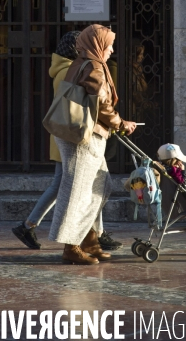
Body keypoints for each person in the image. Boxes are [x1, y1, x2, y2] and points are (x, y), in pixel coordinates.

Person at [12, 33, 124, 252]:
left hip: (70, 134)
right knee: (82, 185)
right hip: (75, 136)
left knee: (85, 183)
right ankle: (38, 227)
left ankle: (90, 234)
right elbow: (91, 102)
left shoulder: (69, 67)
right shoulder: (74, 70)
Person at [49, 24, 137, 265]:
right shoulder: (93, 66)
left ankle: (89, 239)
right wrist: (120, 123)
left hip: (88, 135)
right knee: (77, 190)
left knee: (101, 185)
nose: (111, 50)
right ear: (97, 44)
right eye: (108, 45)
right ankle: (71, 246)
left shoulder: (86, 62)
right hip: (82, 138)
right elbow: (101, 103)